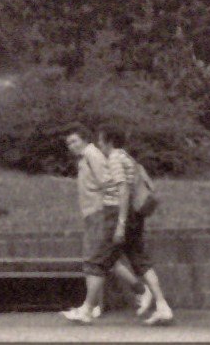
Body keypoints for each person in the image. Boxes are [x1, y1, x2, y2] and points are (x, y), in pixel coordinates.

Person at [59, 124, 152, 325]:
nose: (71, 145)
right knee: (107, 259)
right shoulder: (86, 158)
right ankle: (137, 291)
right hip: (94, 214)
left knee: (95, 259)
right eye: (68, 143)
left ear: (85, 139)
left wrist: (110, 214)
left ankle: (89, 308)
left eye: (74, 141)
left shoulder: (92, 155)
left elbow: (108, 183)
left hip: (100, 213)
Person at [98, 123, 174, 325]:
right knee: (139, 259)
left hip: (124, 215)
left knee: (98, 259)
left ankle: (88, 308)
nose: (99, 145)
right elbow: (144, 185)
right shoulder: (127, 158)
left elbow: (123, 190)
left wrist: (121, 223)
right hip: (136, 215)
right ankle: (161, 304)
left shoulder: (114, 158)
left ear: (109, 141)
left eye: (100, 140)